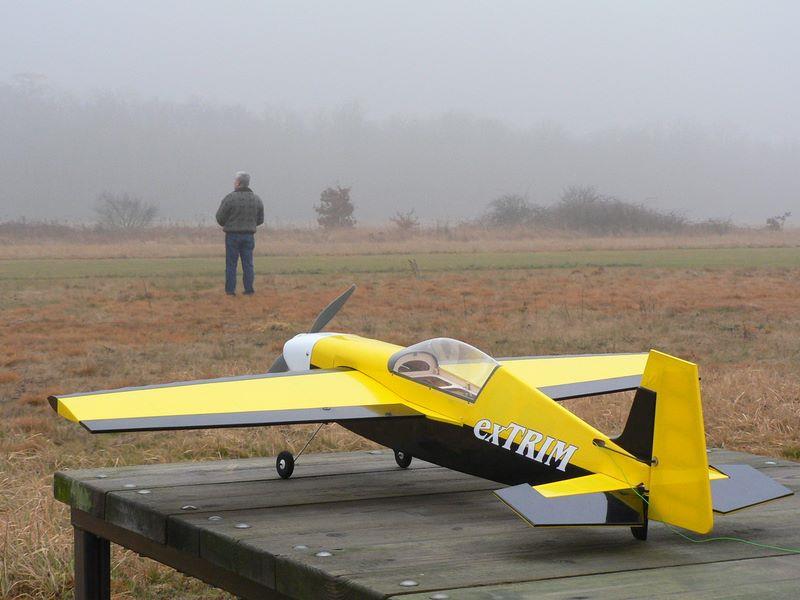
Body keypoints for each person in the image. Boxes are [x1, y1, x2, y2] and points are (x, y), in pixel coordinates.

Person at [215, 171, 264, 295]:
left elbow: (220, 218)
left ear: (238, 183)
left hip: (232, 236)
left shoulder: (230, 198)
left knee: (231, 264)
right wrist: (250, 225)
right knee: (248, 264)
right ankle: (249, 289)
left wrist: (228, 223)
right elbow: (260, 219)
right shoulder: (256, 199)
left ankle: (230, 291)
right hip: (249, 236)